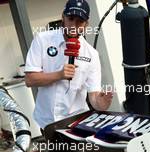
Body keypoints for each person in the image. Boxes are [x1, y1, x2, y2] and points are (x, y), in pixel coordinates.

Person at [25, 0, 113, 129]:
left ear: (86, 24)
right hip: (46, 122)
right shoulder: (42, 39)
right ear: (63, 17)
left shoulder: (91, 54)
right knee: (52, 150)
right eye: (70, 18)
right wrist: (59, 75)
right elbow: (30, 80)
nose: (73, 25)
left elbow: (94, 97)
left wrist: (102, 103)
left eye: (79, 21)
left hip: (76, 121)